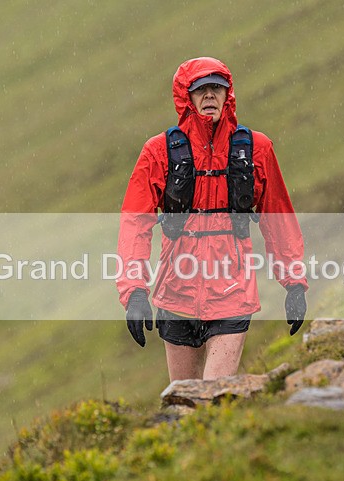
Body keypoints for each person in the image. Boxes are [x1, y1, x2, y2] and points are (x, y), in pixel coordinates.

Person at [116, 57, 308, 382]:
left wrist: (294, 284)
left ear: (227, 95)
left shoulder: (255, 149)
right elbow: (135, 223)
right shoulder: (158, 152)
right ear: (186, 97)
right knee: (183, 404)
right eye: (200, 89)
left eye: (216, 88)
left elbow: (278, 217)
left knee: (215, 395)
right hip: (176, 293)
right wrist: (134, 291)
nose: (209, 96)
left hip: (232, 292)